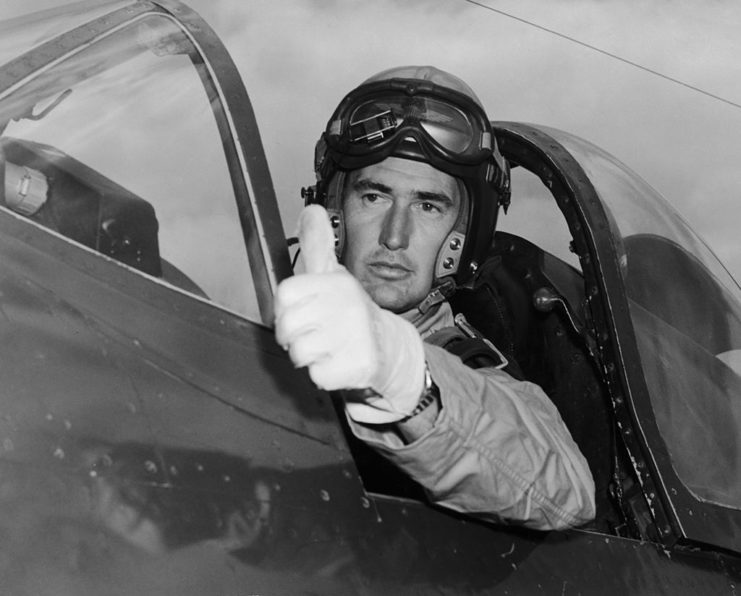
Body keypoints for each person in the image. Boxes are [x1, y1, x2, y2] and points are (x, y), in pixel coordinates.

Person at [274, 65, 595, 530]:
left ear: (460, 239)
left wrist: (403, 377)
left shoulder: (460, 364)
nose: (395, 236)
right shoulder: (253, 304)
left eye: (428, 206)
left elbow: (566, 489)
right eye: (374, 197)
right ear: (335, 211)